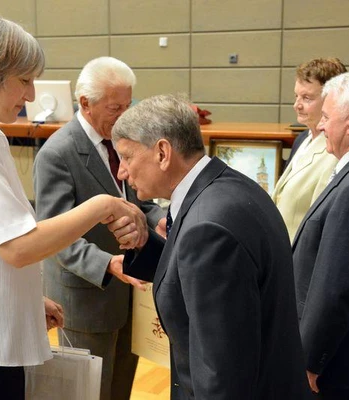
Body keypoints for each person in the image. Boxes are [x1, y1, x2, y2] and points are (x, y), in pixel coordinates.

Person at [0, 15, 147, 400]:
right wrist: (100, 206)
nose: (30, 95)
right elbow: (17, 247)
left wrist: (26, 300)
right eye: (24, 80)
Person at [109, 94, 311, 399]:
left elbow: (221, 369)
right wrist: (144, 244)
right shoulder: (228, 186)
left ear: (163, 152)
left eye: (127, 156)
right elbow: (193, 279)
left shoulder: (207, 228)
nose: (122, 172)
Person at [33, 57, 165, 400]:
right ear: (85, 103)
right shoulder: (57, 154)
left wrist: (156, 219)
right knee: (92, 392)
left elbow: (135, 200)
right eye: (114, 107)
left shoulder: (123, 140)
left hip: (130, 291)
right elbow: (53, 235)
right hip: (86, 296)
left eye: (128, 105)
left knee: (122, 386)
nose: (124, 115)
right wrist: (107, 263)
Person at [292, 71, 349, 399]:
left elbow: (336, 285)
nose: (319, 126)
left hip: (335, 362)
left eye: (327, 118)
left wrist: (309, 361)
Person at [272, 58, 346, 242]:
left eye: (307, 98)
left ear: (332, 100)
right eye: (296, 96)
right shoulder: (302, 139)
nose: (297, 104)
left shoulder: (336, 152)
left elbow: (320, 222)